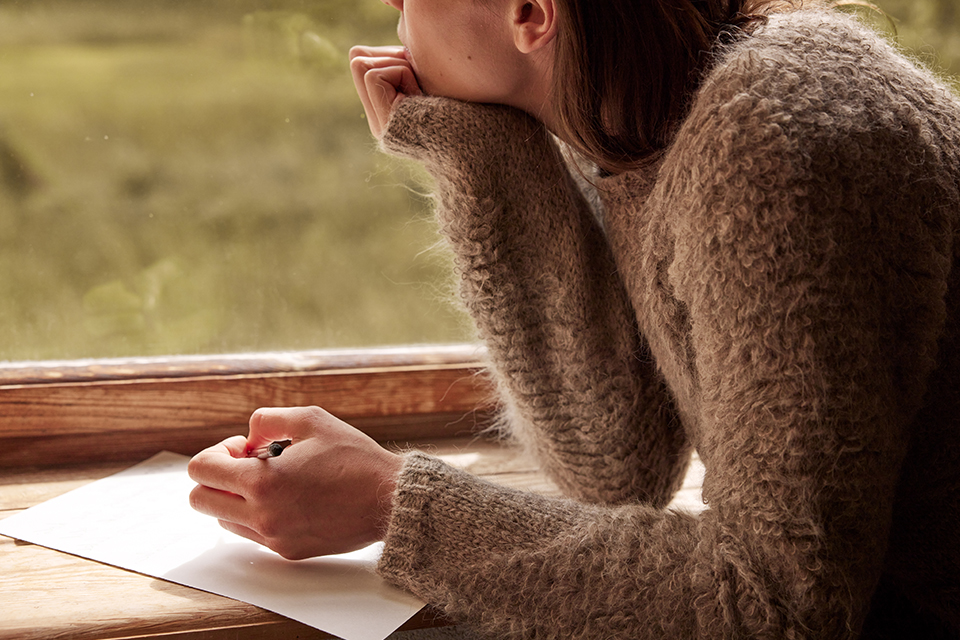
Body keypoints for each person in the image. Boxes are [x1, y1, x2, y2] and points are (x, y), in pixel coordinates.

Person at [187, 0, 960, 637]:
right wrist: (481, 156)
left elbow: (777, 603)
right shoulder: (644, 127)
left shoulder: (773, 136)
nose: (391, 3)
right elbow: (613, 465)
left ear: (530, 14)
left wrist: (391, 502)